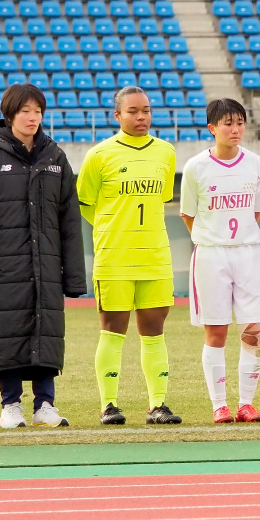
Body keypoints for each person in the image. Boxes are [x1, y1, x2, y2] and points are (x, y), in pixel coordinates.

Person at [0, 83, 85, 430]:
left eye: (38, 111)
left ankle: (45, 404)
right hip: (5, 269)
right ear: (9, 114)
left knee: (45, 334)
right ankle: (10, 405)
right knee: (8, 334)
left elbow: (70, 222)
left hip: (46, 266)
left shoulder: (55, 158)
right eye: (26, 111)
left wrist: (73, 276)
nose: (33, 117)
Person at [77, 85, 180, 426]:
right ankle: (109, 405)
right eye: (133, 111)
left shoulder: (165, 152)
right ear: (117, 115)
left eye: (146, 111)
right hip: (114, 257)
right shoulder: (99, 155)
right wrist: (113, 228)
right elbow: (86, 203)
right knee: (113, 331)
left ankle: (158, 405)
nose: (141, 117)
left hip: (155, 256)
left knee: (154, 330)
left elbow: (161, 197)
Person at [180, 98, 260, 425]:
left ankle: (246, 403)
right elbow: (188, 214)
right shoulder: (195, 167)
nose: (235, 129)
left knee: (253, 330)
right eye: (228, 123)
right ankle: (220, 405)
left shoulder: (256, 164)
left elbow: (256, 212)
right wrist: (213, 236)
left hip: (247, 252)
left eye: (240, 122)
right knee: (216, 331)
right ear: (212, 128)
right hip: (211, 255)